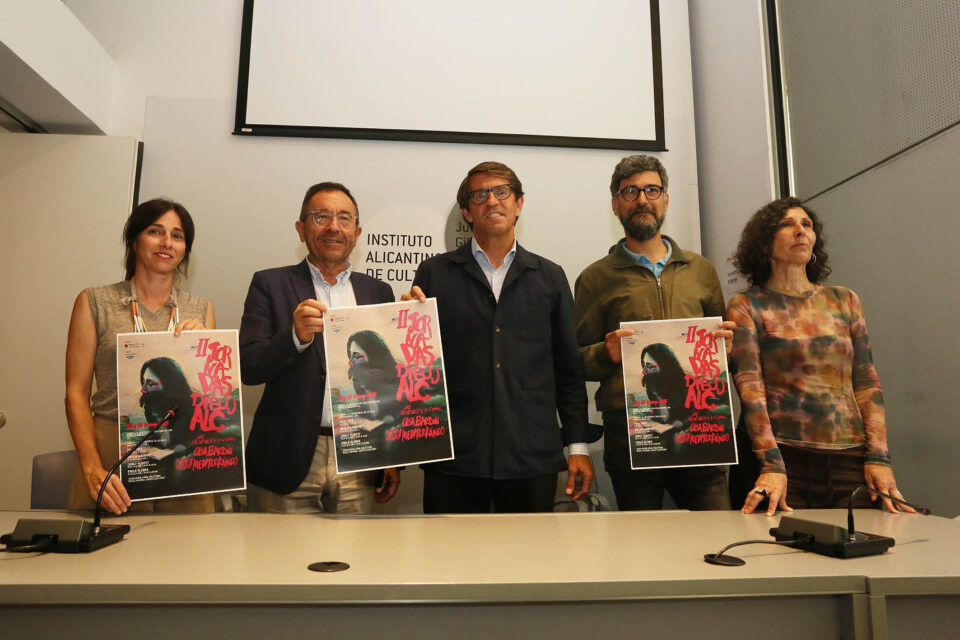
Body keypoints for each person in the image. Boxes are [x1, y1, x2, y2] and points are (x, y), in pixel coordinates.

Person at [404, 161, 594, 513]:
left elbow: (569, 370)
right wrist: (405, 326)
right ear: (467, 212)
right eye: (480, 195)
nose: (492, 200)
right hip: (455, 459)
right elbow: (417, 370)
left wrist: (578, 447)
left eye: (502, 192)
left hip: (532, 456)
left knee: (529, 550)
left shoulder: (550, 277)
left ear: (519, 203)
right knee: (448, 550)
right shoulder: (434, 274)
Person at [728, 197, 914, 515]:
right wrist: (771, 465)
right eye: (787, 224)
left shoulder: (844, 300)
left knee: (864, 542)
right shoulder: (747, 305)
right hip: (780, 459)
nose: (801, 231)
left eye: (807, 224)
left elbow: (866, 381)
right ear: (764, 242)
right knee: (774, 545)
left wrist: (879, 457)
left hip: (849, 458)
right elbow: (750, 390)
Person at [575, 154, 733, 511]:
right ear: (615, 204)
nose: (642, 199)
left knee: (719, 530)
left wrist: (727, 345)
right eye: (630, 192)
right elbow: (576, 360)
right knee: (641, 538)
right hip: (630, 430)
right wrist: (604, 353)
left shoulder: (701, 270)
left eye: (652, 190)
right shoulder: (595, 278)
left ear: (666, 199)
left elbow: (719, 348)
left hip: (701, 424)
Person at [239, 182, 400, 514]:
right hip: (286, 457)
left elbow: (388, 380)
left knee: (356, 549)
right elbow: (249, 367)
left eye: (344, 218)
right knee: (279, 548)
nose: (333, 227)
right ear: (301, 229)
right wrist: (294, 337)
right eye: (320, 216)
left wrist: (393, 456)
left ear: (356, 233)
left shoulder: (379, 292)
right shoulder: (269, 284)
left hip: (360, 455)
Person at [65, 198, 216, 515]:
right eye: (155, 231)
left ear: (185, 249)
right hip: (112, 447)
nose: (167, 242)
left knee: (192, 544)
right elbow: (76, 393)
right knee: (107, 545)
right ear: (134, 241)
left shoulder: (201, 309)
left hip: (181, 446)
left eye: (177, 236)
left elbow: (209, 397)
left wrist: (202, 347)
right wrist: (92, 466)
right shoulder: (95, 302)